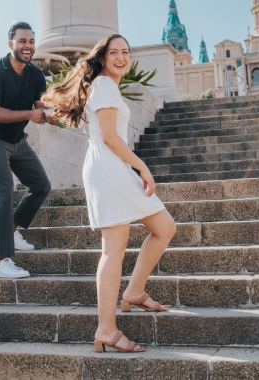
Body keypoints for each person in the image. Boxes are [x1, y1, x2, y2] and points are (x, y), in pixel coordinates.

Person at [44, 33, 176, 353]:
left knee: (164, 227)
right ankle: (106, 328)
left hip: (113, 167)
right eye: (113, 52)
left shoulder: (108, 86)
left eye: (125, 52)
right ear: (102, 58)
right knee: (113, 249)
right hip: (109, 167)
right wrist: (142, 167)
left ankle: (133, 292)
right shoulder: (103, 85)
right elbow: (109, 138)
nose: (121, 57)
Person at [0, 21, 54, 279]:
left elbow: (40, 103)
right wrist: (31, 113)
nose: (28, 46)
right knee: (3, 191)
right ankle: (1, 262)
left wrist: (51, 111)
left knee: (41, 185)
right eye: (22, 41)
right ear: (11, 44)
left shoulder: (35, 75)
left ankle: (13, 230)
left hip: (17, 140)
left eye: (31, 41)